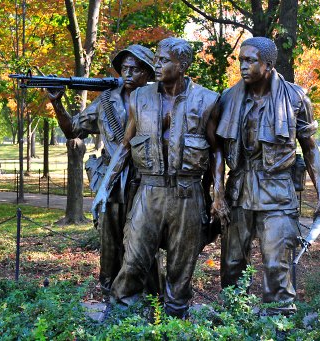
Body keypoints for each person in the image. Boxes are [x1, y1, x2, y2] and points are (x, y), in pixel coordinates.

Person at [92, 37, 230, 318]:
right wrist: (104, 188)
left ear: (182, 66)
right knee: (133, 262)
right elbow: (125, 146)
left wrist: (218, 196)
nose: (156, 64)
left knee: (181, 271)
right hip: (149, 192)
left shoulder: (207, 100)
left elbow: (217, 153)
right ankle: (120, 322)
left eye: (163, 60)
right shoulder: (140, 98)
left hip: (187, 195)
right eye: (156, 58)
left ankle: (174, 324)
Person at [217, 37, 320, 315]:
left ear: (268, 65)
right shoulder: (227, 97)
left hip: (278, 191)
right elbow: (217, 150)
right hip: (239, 190)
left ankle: (277, 324)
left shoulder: (295, 97)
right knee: (232, 264)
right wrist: (217, 193)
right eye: (240, 60)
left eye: (250, 61)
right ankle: (234, 320)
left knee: (276, 265)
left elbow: (310, 149)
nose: (242, 66)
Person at [48, 45, 161, 298]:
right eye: (124, 68)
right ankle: (111, 297)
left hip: (146, 180)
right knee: (110, 245)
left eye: (135, 68)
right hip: (111, 181)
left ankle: (154, 301)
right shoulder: (106, 101)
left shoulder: (157, 99)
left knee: (145, 243)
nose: (128, 73)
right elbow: (73, 130)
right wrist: (57, 103)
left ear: (147, 73)